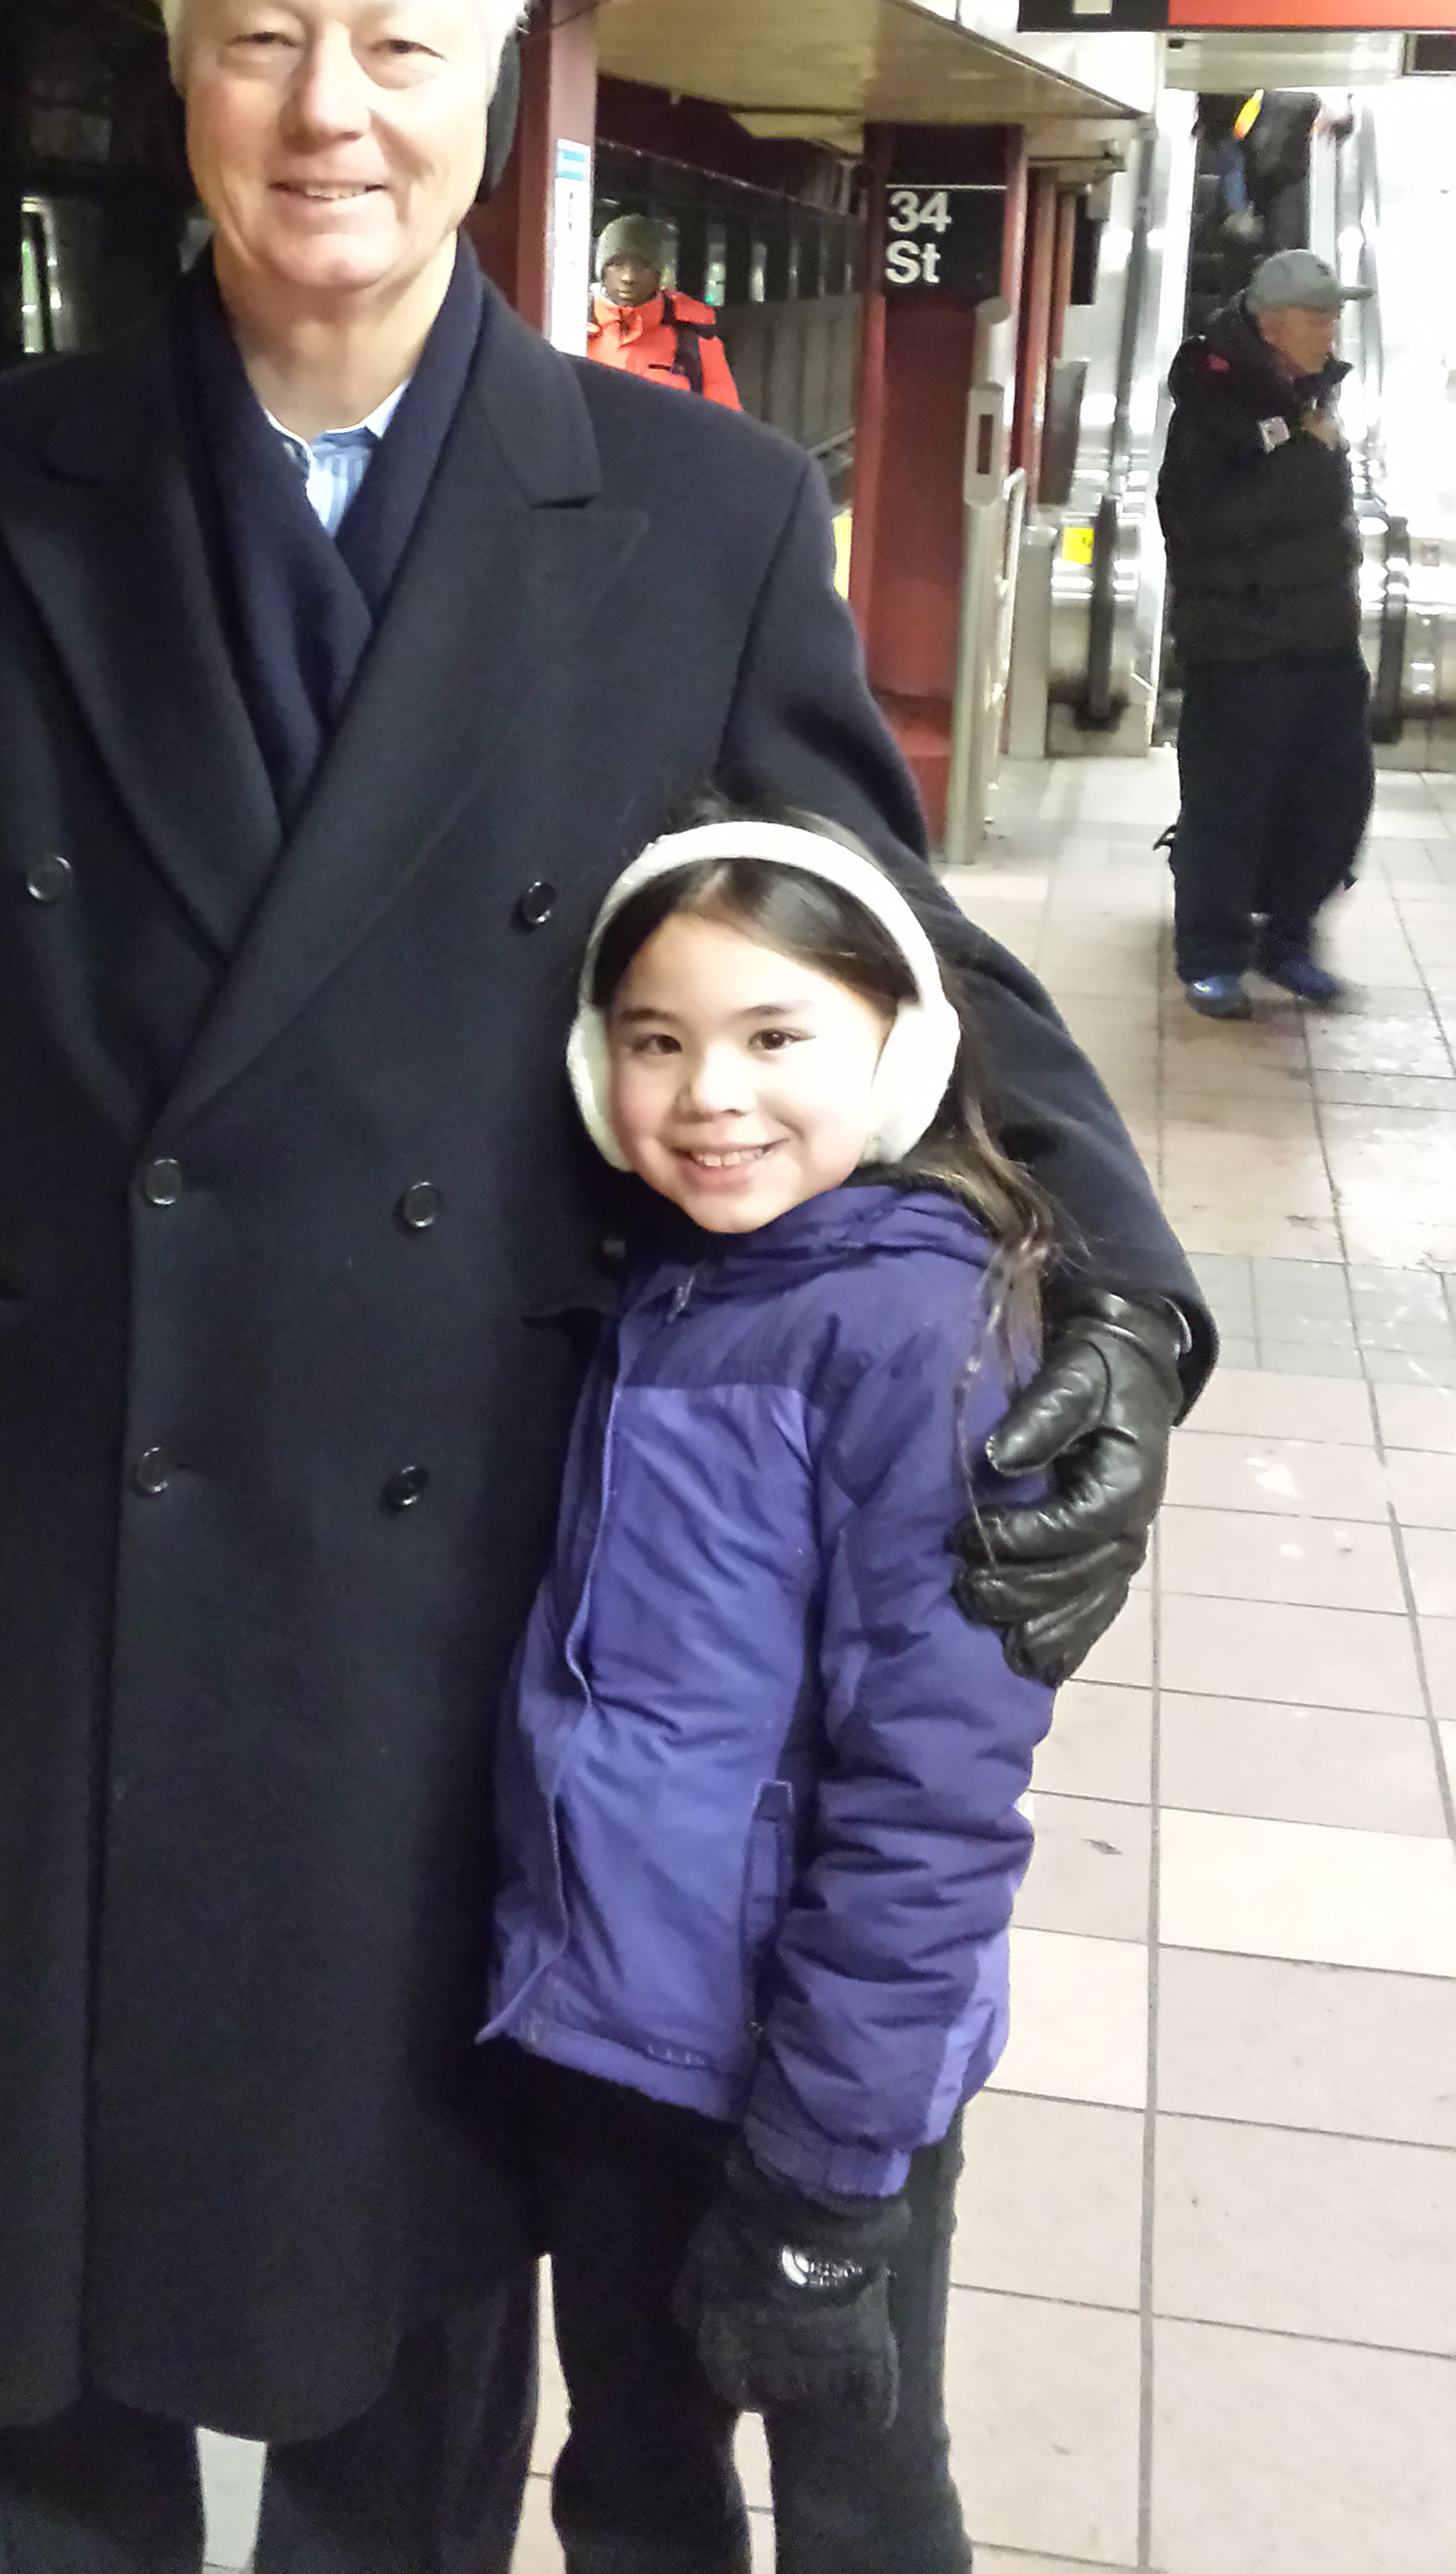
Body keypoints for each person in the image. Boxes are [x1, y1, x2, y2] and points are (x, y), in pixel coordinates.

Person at [0, 0, 1206, 2574]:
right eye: (265, 39)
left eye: (397, 47)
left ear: (493, 82)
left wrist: (1119, 1298)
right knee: (16, 2249)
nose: (330, 112)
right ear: (179, 68)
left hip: (448, 1554)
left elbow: (893, 942)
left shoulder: (690, 515)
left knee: (388, 2275)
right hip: (62, 1528)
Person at [487, 797, 1061, 2571]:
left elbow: (935, 1797)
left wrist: (824, 2173)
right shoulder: (667, 1283)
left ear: (900, 1048)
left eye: (773, 1036)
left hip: (820, 2085)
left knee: (862, 2501)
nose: (709, 1094)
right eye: (655, 1040)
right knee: (631, 2467)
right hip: (614, 2047)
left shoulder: (915, 1332)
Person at [1157, 245, 1374, 1018]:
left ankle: (1290, 937)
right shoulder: (1213, 401)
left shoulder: (1314, 396)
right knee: (1228, 806)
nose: (1331, 329)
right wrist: (1296, 451)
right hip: (1240, 644)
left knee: (1334, 797)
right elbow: (1200, 520)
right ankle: (1212, 956)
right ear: (1273, 324)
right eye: (1318, 316)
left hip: (1323, 640)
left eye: (1335, 315)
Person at [587, 213, 741, 407]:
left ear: (659, 274)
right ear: (601, 270)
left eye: (643, 266)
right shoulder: (567, 325)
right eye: (617, 264)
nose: (629, 277)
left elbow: (724, 417)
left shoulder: (695, 339)